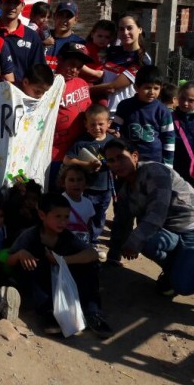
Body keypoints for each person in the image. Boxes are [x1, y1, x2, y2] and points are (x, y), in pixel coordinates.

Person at [103, 138, 194, 298]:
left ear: (135, 156)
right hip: (172, 233)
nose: (116, 163)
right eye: (111, 161)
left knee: (184, 285)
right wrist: (113, 256)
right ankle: (176, 273)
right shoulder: (126, 191)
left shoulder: (155, 171)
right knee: (144, 240)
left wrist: (134, 241)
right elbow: (121, 223)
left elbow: (157, 212)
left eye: (121, 157)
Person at [7, 193, 113, 338]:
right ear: (42, 215)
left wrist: (63, 260)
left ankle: (92, 313)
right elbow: (7, 260)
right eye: (58, 217)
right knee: (31, 264)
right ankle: (48, 313)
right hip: (39, 284)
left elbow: (92, 254)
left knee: (90, 265)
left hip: (60, 281)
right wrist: (20, 254)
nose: (63, 222)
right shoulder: (30, 235)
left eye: (66, 217)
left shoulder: (67, 236)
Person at [63, 103, 115, 245]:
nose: (97, 128)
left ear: (108, 123)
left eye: (100, 124)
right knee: (85, 214)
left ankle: (93, 240)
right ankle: (82, 240)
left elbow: (118, 160)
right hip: (86, 188)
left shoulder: (112, 141)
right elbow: (67, 159)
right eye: (92, 124)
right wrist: (85, 164)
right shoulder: (81, 142)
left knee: (100, 215)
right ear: (85, 124)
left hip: (106, 188)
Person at [49, 42, 93, 190]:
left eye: (79, 67)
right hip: (54, 155)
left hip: (78, 153)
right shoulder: (47, 85)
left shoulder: (82, 83)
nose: (74, 70)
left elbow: (89, 112)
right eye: (71, 64)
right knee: (55, 195)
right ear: (59, 59)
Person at [113, 65, 175, 167]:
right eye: (147, 88)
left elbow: (169, 139)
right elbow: (116, 129)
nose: (152, 92)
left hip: (154, 161)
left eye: (156, 88)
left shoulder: (163, 111)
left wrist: (168, 165)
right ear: (136, 87)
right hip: (129, 159)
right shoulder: (124, 106)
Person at [89, 13, 148, 115]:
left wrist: (82, 90)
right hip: (99, 111)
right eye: (121, 29)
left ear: (140, 29)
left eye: (129, 28)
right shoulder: (111, 51)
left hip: (120, 113)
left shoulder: (142, 59)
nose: (125, 32)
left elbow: (112, 87)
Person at [0, 0, 46, 83]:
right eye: (7, 2)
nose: (11, 7)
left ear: (22, 6)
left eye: (16, 3)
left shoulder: (32, 37)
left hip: (20, 95)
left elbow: (38, 72)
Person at [58, 165, 96, 246]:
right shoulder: (58, 202)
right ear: (63, 183)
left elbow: (88, 226)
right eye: (71, 180)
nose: (76, 183)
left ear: (86, 182)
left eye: (79, 180)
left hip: (81, 245)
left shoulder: (88, 203)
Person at [43, 1, 86, 70]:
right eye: (60, 15)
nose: (63, 20)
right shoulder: (40, 35)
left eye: (68, 16)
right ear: (54, 16)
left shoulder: (80, 43)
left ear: (75, 20)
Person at [80, 20, 117, 84]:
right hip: (84, 83)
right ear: (92, 34)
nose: (103, 39)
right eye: (99, 36)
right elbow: (76, 64)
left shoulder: (111, 52)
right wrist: (95, 73)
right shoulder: (84, 49)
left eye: (107, 37)